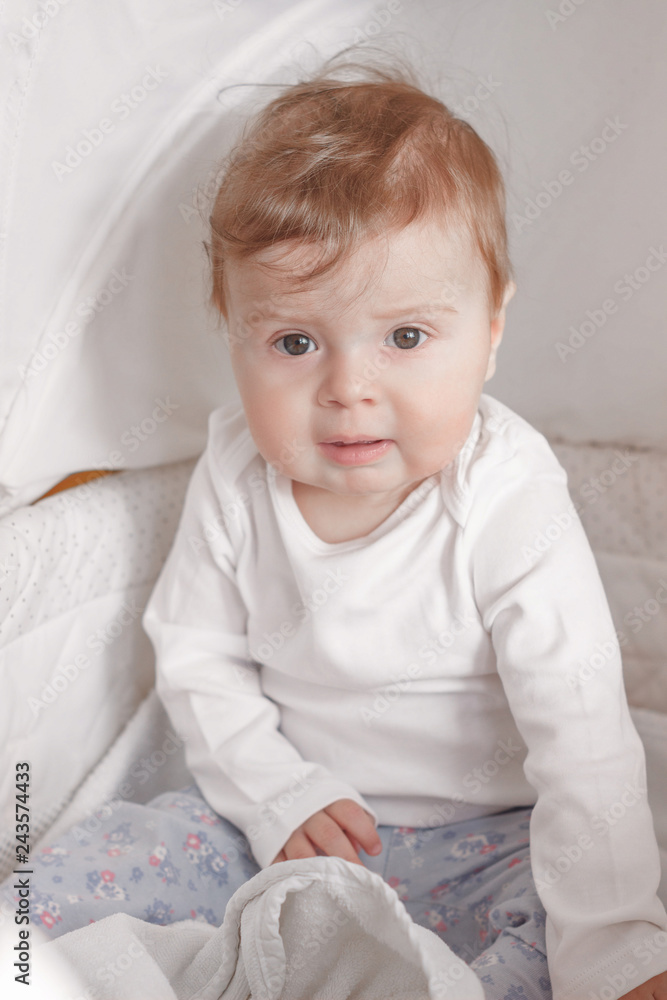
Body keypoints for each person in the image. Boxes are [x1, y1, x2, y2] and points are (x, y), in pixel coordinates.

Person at [5, 50, 667, 1000]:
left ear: (489, 330)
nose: (349, 387)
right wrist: (274, 792)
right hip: (278, 824)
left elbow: (579, 726)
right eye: (294, 341)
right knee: (98, 858)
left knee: (558, 934)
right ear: (231, 330)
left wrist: (610, 946)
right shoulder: (235, 471)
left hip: (488, 840)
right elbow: (196, 658)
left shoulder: (504, 493)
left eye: (405, 336)